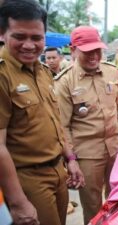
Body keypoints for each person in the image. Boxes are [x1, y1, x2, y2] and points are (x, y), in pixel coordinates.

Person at [0, 1, 84, 225]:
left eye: (36, 38)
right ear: (2, 33)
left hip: (58, 171)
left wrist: (71, 159)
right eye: (20, 36)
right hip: (28, 179)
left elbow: (54, 122)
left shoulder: (43, 72)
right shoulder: (3, 75)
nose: (29, 45)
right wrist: (17, 201)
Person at [54, 25, 118, 225]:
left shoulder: (111, 72)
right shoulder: (64, 82)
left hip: (115, 148)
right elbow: (63, 126)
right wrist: (71, 160)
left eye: (97, 50)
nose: (94, 55)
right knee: (93, 207)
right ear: (73, 50)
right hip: (87, 155)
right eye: (87, 51)